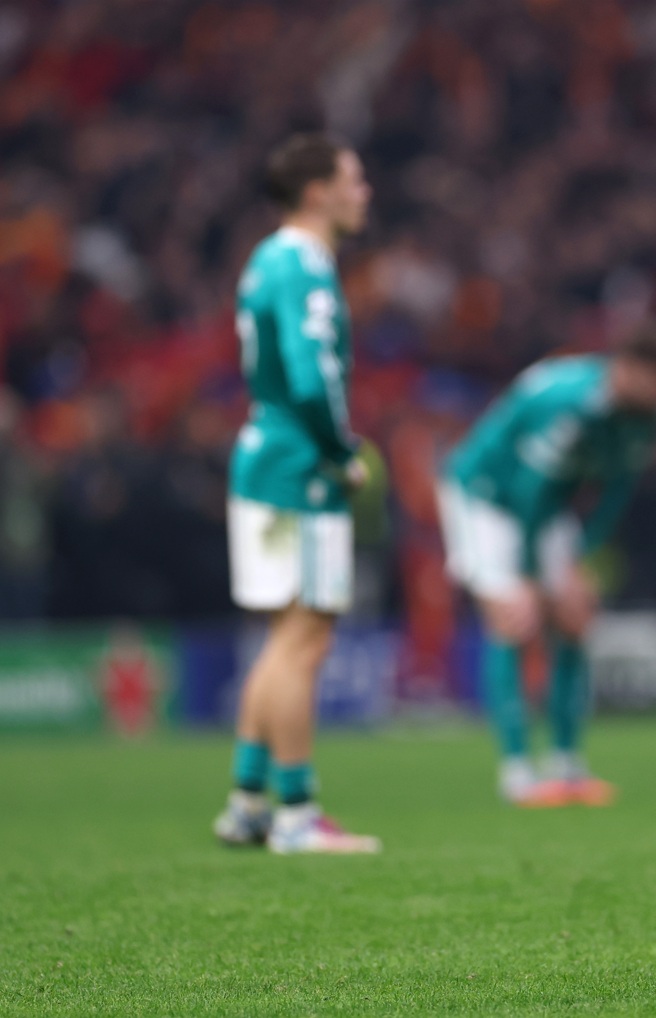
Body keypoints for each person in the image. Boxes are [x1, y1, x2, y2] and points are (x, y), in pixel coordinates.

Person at [212, 133, 381, 854]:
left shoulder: (265, 258)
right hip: (298, 470)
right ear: (318, 192)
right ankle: (297, 813)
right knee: (304, 640)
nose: (363, 191)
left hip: (262, 459)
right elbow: (311, 381)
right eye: (353, 179)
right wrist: (342, 453)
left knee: (284, 638)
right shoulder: (306, 265)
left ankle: (248, 803)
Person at [437, 328, 656, 807]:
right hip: (484, 497)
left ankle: (566, 765)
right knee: (513, 617)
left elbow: (615, 491)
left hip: (545, 508)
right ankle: (516, 772)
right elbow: (528, 487)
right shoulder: (568, 402)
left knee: (573, 618)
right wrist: (529, 577)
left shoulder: (644, 417)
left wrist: (578, 561)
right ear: (629, 371)